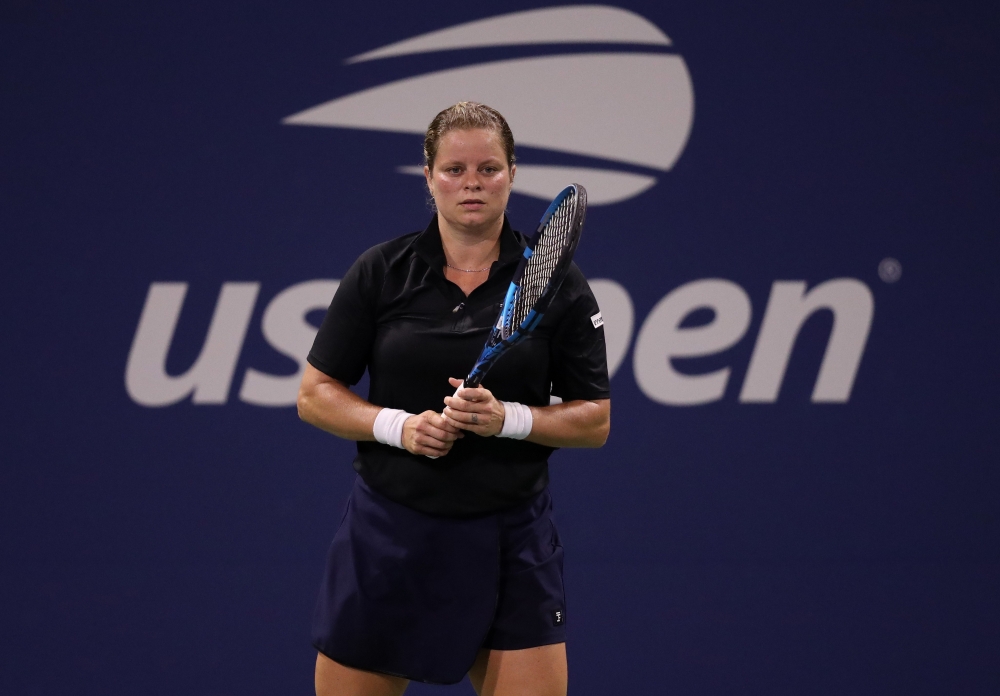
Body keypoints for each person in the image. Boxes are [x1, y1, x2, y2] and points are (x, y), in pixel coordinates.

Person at [297, 101, 611, 696]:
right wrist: (399, 427)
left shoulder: (560, 285)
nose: (472, 183)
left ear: (512, 174)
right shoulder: (379, 272)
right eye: (454, 169)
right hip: (389, 533)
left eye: (488, 169)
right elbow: (314, 396)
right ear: (429, 177)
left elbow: (594, 420)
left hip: (510, 539)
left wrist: (507, 419)